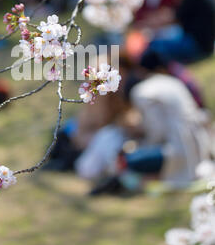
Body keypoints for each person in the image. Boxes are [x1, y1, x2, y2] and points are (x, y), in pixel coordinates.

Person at [83, 57, 212, 195]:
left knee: (128, 159)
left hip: (178, 149)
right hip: (198, 142)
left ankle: (122, 181)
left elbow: (157, 133)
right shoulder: (165, 80)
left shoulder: (141, 93)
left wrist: (138, 139)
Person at [140, 0, 215, 70]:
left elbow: (173, 18)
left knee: (154, 46)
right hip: (202, 42)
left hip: (198, 45)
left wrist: (143, 24)